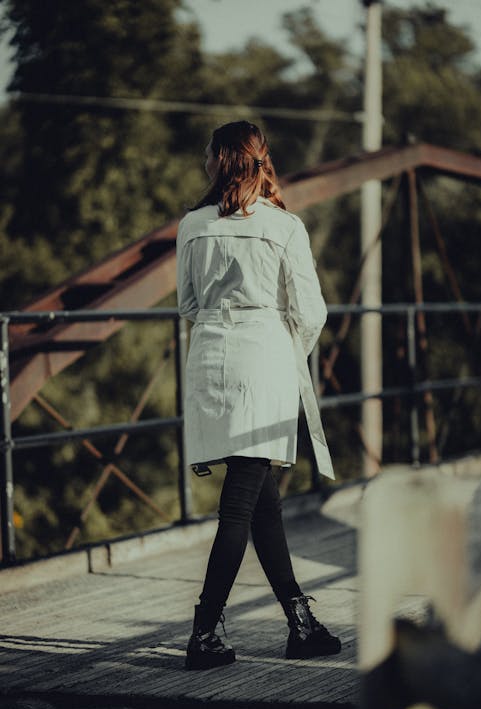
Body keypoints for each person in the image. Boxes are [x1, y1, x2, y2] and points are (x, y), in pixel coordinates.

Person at [176, 120, 340, 671]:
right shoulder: (284, 227)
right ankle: (204, 633)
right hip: (264, 360)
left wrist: (220, 329)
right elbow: (312, 311)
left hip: (209, 363)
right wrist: (288, 347)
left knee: (260, 497)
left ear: (220, 161)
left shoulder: (192, 226)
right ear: (260, 159)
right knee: (240, 505)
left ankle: (301, 623)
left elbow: (189, 304)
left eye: (208, 155)